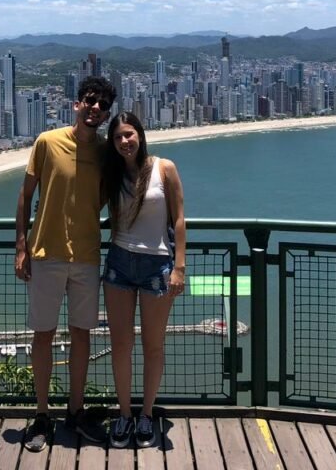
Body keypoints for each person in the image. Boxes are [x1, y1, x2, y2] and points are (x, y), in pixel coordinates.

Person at [15, 75, 117, 452]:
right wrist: (21, 246)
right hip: (46, 254)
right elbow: (25, 196)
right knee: (43, 335)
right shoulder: (47, 142)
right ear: (77, 104)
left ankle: (75, 411)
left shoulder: (107, 152)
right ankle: (42, 414)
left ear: (107, 114)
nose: (95, 108)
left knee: (81, 335)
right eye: (90, 101)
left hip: (87, 256)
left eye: (103, 105)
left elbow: (112, 194)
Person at [101, 112, 186, 449]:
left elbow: (179, 217)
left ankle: (147, 414)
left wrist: (179, 267)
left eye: (129, 134)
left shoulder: (164, 168)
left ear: (140, 135)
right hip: (119, 264)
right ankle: (124, 414)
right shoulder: (111, 174)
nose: (125, 141)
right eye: (118, 137)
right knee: (121, 345)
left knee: (153, 345)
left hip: (157, 266)